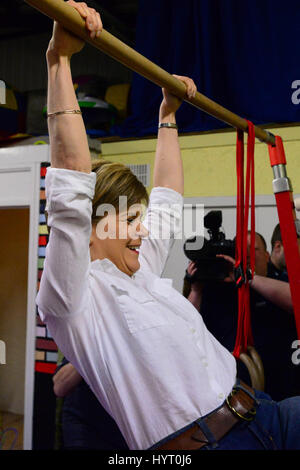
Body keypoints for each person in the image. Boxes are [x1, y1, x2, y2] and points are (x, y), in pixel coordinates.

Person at [36, 1, 300, 450]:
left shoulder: (139, 268)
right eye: (131, 220)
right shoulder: (71, 299)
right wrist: (59, 61)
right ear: (95, 222)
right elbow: (71, 184)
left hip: (264, 412)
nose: (144, 231)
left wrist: (168, 116)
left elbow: (168, 199)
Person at [186, 230, 300, 400]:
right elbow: (185, 330)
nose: (245, 256)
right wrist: (196, 289)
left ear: (267, 255)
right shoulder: (215, 290)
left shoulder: (278, 281)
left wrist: (248, 278)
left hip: (281, 392)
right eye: (239, 251)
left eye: (252, 250)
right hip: (231, 396)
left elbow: (295, 300)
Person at [53, 357, 128, 450]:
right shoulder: (86, 344)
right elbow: (59, 387)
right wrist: (90, 353)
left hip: (124, 434)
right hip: (85, 432)